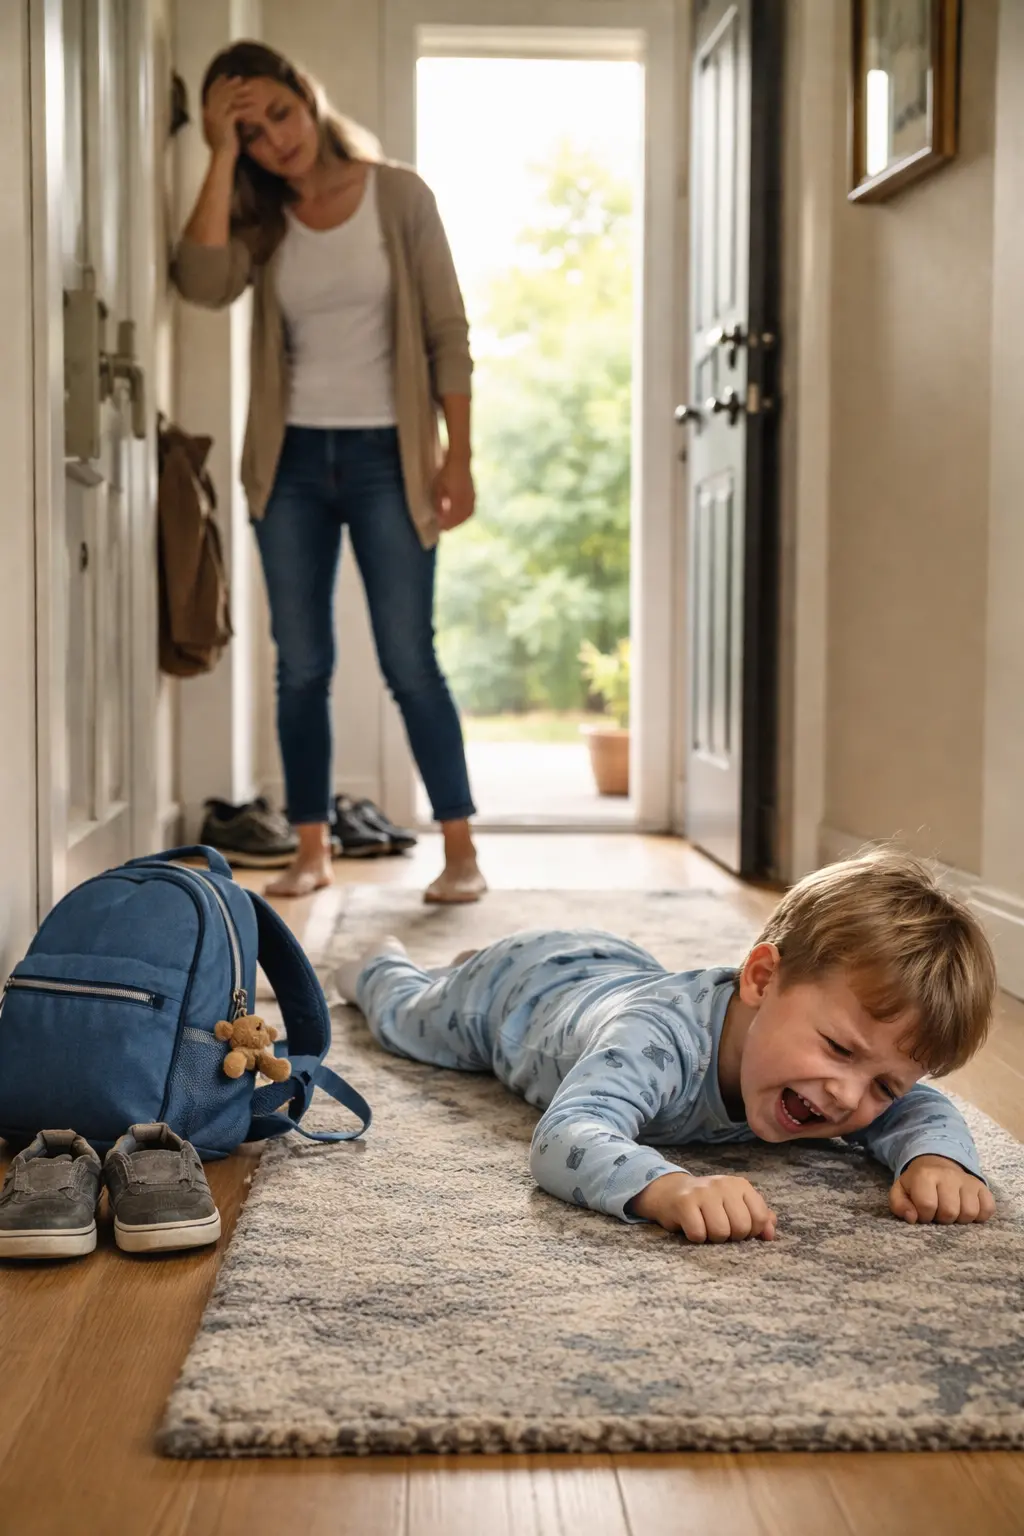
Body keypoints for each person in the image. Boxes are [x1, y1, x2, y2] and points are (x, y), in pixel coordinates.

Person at [172, 42, 485, 904]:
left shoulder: (400, 196)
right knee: (301, 664)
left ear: (307, 99)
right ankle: (312, 850)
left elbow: (446, 331)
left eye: (279, 113)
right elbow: (197, 281)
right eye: (251, 131)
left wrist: (457, 454)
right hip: (293, 463)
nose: (276, 139)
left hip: (392, 457)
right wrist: (219, 155)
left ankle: (460, 851)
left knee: (408, 659)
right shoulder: (260, 218)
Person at [335, 850, 998, 1242]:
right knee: (407, 1022)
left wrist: (938, 1160)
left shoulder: (838, 1080)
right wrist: (668, 1189)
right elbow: (566, 1134)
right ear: (762, 978)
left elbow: (920, 1108)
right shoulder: (656, 1044)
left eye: (885, 1083)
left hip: (619, 970)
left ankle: (469, 958)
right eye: (839, 1051)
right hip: (514, 996)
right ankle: (382, 966)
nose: (850, 1097)